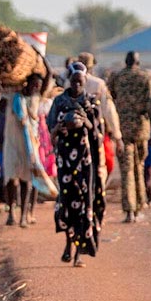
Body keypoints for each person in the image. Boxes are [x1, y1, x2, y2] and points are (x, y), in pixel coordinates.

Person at [47, 62, 105, 267]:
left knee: (84, 203)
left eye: (81, 82)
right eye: (74, 82)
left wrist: (86, 120)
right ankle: (67, 244)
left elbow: (99, 134)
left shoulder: (91, 102)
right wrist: (61, 127)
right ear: (69, 81)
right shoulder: (59, 102)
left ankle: (79, 251)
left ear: (85, 81)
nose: (78, 86)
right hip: (64, 160)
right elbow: (50, 130)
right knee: (66, 201)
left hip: (84, 161)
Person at [108, 51, 151, 223]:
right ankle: (138, 207)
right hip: (140, 130)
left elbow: (110, 98)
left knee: (126, 171)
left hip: (122, 130)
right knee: (139, 167)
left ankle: (129, 210)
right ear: (138, 62)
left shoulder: (117, 77)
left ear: (126, 61)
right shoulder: (145, 78)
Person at [75, 53, 124, 186]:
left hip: (74, 132)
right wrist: (117, 136)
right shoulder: (98, 84)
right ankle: (97, 191)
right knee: (105, 163)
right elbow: (109, 111)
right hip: (97, 132)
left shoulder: (70, 82)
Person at [2, 74, 43, 227]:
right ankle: (11, 212)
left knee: (28, 180)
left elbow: (49, 77)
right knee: (11, 179)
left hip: (30, 145)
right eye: (33, 84)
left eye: (38, 85)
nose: (36, 87)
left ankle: (24, 215)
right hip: (12, 143)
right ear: (27, 83)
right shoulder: (13, 98)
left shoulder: (36, 100)